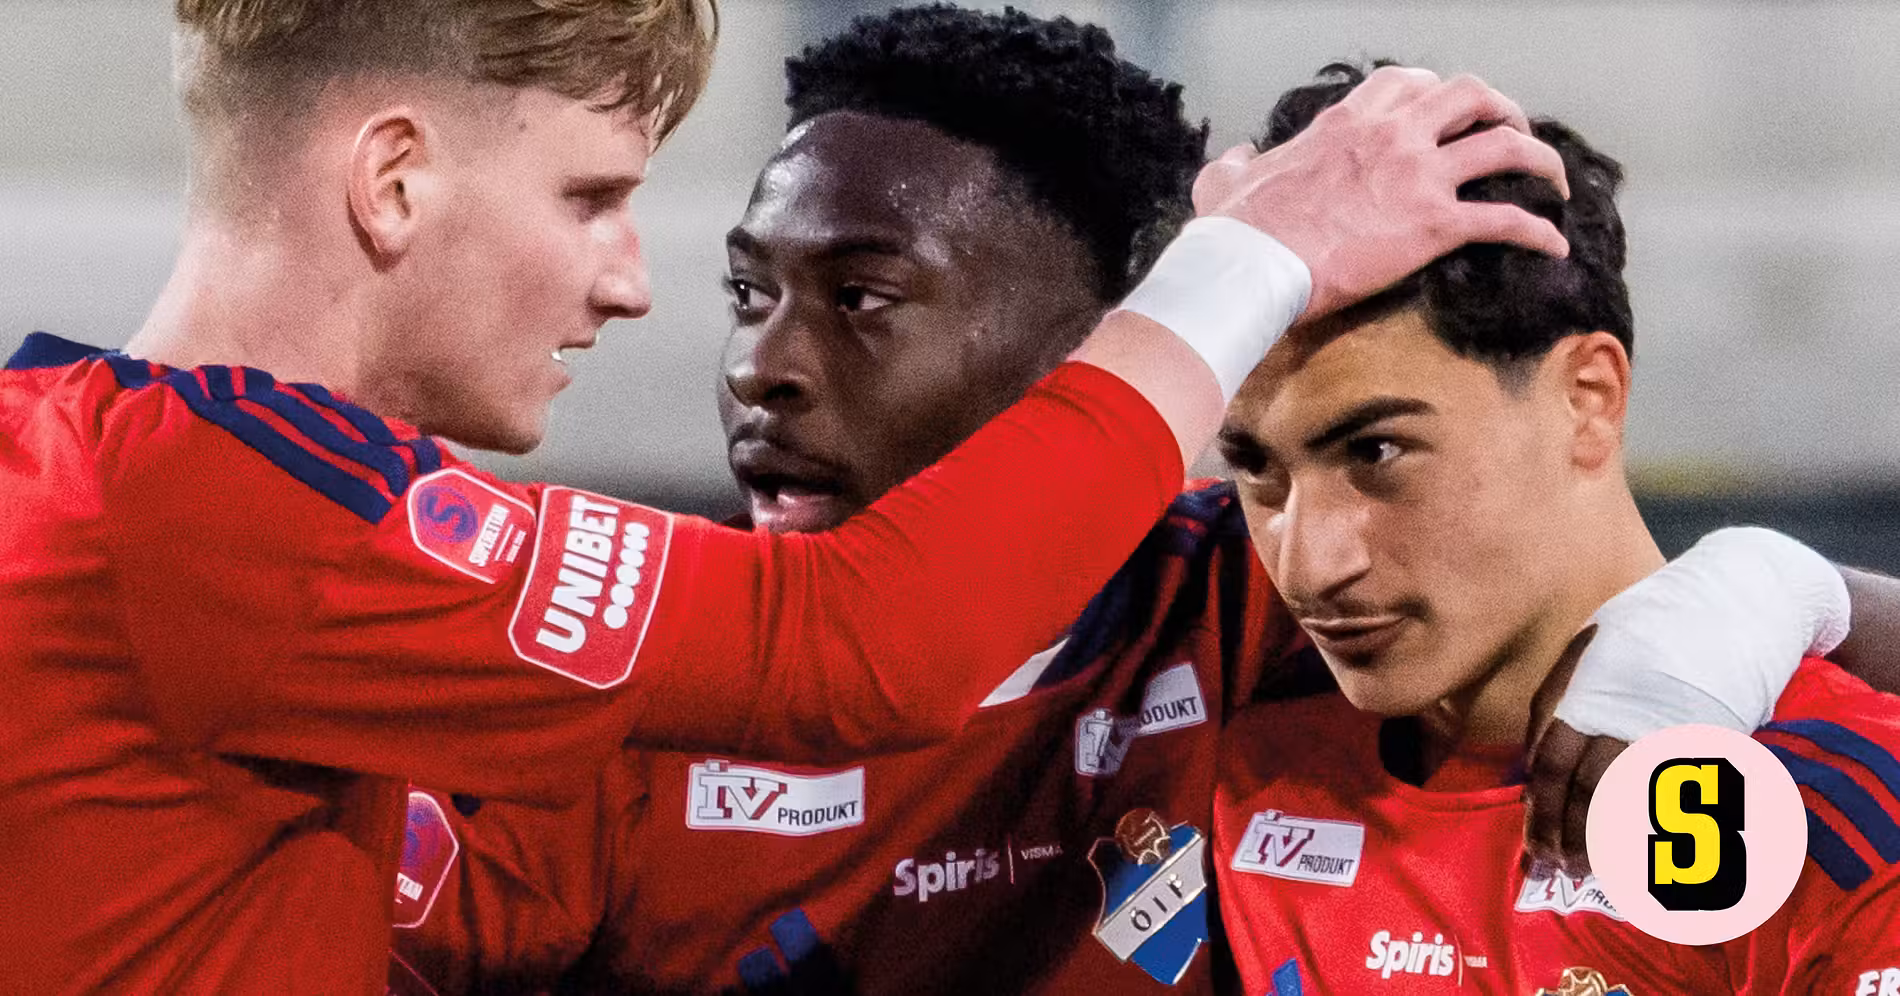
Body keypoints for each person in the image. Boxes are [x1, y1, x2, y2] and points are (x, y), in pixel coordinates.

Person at [0, 0, 1582, 990]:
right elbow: (857, 644)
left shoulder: (1254, 596)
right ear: (393, 179)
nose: (634, 286)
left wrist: (1691, 635)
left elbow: (1614, 612)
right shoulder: (210, 498)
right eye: (590, 198)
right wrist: (1250, 261)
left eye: (861, 298)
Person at [391, 14, 1884, 995]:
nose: (758, 368)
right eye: (747, 295)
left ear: (1108, 353)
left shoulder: (1231, 609)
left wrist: (1758, 587)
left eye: (862, 301)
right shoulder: (631, 664)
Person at [1211, 63, 1900, 995]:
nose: (1309, 565)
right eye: (1257, 469)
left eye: (1377, 451)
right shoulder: (1227, 741)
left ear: (1589, 398)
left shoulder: (1831, 814)